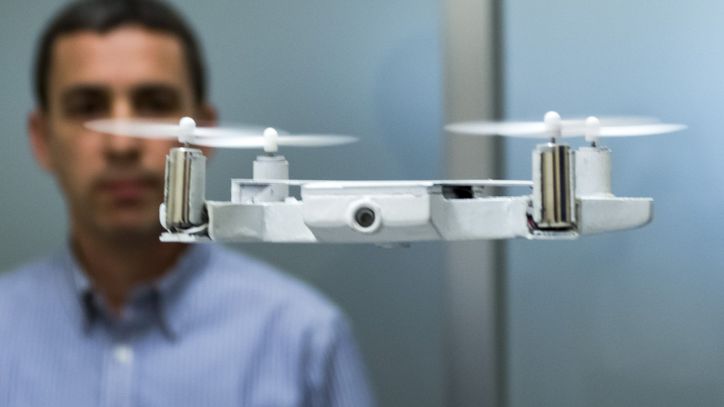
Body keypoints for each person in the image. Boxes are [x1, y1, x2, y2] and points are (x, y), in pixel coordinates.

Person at [0, 1, 374, 406]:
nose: (122, 144)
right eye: (88, 108)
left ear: (205, 134)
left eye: (155, 104)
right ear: (42, 139)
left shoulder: (307, 340)